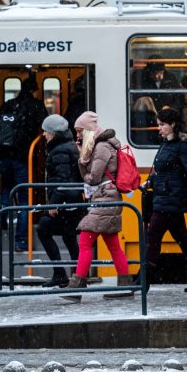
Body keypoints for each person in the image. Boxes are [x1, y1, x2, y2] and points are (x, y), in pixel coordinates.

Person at [61, 111, 134, 301]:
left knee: (85, 242)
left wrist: (82, 161)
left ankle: (76, 287)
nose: (77, 135)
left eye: (79, 131)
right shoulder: (101, 145)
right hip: (106, 199)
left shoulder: (101, 148)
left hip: (105, 200)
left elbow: (92, 178)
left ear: (87, 130)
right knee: (113, 245)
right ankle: (125, 285)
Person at [142, 108, 187, 292]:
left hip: (172, 199)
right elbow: (164, 172)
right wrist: (150, 181)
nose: (159, 128)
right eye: (158, 125)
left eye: (162, 124)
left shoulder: (183, 146)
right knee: (184, 240)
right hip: (164, 198)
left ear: (172, 124)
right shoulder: (166, 143)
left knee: (153, 235)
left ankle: (144, 280)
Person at [0, 75, 47, 252]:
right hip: (22, 156)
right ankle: (21, 240)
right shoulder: (36, 105)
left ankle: (0, 227)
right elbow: (46, 125)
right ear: (35, 90)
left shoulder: (8, 104)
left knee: (7, 188)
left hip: (2, 156)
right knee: (24, 198)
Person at [35, 115, 83, 288]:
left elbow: (62, 181)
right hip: (73, 202)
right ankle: (78, 276)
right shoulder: (68, 147)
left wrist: (53, 204)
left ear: (53, 134)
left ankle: (61, 273)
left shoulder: (59, 151)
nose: (44, 135)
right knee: (69, 237)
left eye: (46, 132)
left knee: (43, 229)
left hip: (65, 203)